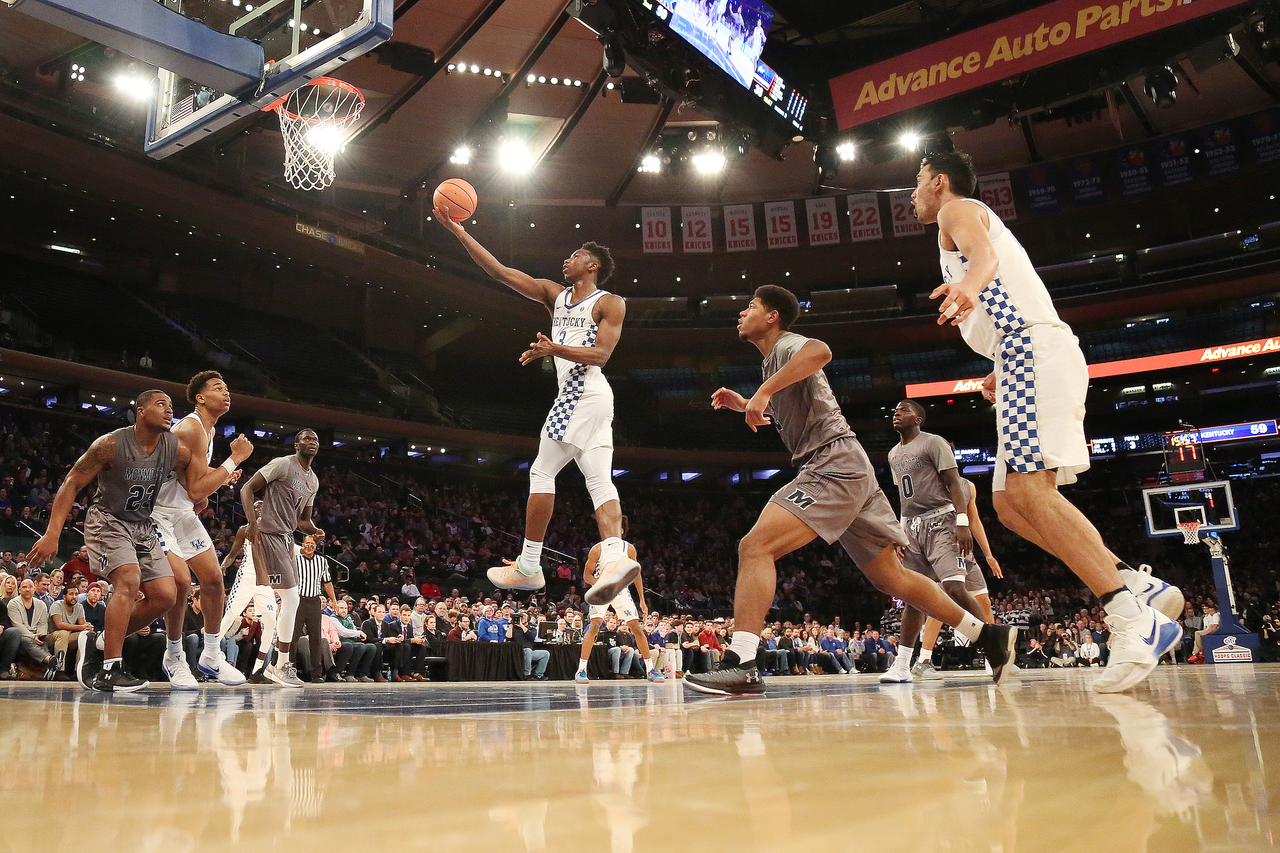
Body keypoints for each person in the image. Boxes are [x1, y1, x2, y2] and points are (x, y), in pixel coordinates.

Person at [914, 149, 1183, 693]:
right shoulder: (957, 220)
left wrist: (969, 287)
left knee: (1031, 493)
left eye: (917, 182)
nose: (912, 194)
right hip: (1019, 357)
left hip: (1029, 351)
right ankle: (1136, 585)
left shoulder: (956, 210)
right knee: (1011, 505)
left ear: (939, 181)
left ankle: (1132, 619)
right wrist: (995, 364)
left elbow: (983, 259)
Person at [684, 286, 1018, 696]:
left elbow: (821, 351)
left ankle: (742, 662)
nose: (741, 311)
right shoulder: (776, 360)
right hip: (849, 466)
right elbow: (810, 408)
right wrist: (752, 404)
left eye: (750, 306)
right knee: (893, 579)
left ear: (772, 317)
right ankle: (986, 636)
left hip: (833, 466)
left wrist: (764, 392)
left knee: (755, 546)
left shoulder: (789, 345)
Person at [435, 208, 640, 603]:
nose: (567, 260)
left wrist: (554, 348)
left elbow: (600, 355)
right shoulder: (554, 294)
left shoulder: (610, 302)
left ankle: (529, 566)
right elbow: (499, 271)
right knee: (599, 480)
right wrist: (460, 232)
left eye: (575, 255)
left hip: (581, 391)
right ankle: (615, 557)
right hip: (594, 401)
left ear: (592, 265)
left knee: (542, 472)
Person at [26, 390, 197, 692]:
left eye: (172, 406)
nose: (170, 410)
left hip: (143, 525)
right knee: (129, 580)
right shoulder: (110, 445)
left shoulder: (175, 448)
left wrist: (201, 492)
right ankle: (110, 668)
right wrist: (52, 532)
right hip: (108, 520)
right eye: (161, 405)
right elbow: (72, 482)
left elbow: (193, 474)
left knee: (165, 596)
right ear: (141, 412)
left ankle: (100, 640)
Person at [152, 371, 254, 688]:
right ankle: (174, 657)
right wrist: (233, 461)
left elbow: (191, 481)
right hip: (156, 513)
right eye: (218, 388)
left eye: (227, 388)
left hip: (181, 511)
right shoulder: (190, 427)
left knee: (212, 580)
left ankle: (211, 656)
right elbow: (196, 488)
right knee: (181, 583)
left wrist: (216, 478)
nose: (226, 393)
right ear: (200, 397)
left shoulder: (207, 430)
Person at [882, 400, 992, 683]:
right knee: (913, 596)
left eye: (904, 410)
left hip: (942, 520)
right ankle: (903, 665)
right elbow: (906, 499)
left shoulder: (934, 442)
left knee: (955, 588)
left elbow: (955, 483)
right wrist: (899, 533)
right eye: (895, 410)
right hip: (912, 527)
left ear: (918, 419)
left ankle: (993, 650)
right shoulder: (894, 453)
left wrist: (962, 521)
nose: (897, 413)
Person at [239, 429, 324, 688]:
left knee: (289, 600)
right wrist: (252, 523)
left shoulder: (313, 481)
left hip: (288, 538)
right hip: (269, 535)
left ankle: (276, 665)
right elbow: (247, 488)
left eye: (316, 440)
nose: (312, 442)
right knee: (291, 598)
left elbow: (303, 521)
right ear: (297, 444)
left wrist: (314, 530)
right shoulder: (282, 465)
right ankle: (281, 664)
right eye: (307, 438)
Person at [912, 468, 1004, 680]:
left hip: (966, 552)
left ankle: (994, 659)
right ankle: (923, 660)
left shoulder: (968, 486)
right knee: (941, 604)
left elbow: (975, 521)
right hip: (943, 551)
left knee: (984, 602)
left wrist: (989, 555)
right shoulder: (928, 483)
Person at [573, 521, 664, 684]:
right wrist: (600, 584)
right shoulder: (598, 549)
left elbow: (636, 574)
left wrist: (642, 600)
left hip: (621, 590)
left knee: (636, 627)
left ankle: (650, 670)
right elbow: (586, 575)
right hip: (602, 589)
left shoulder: (628, 548)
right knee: (594, 625)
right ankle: (581, 670)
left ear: (622, 530)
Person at [218, 501, 279, 681]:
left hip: (265, 580)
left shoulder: (274, 530)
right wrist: (223, 565)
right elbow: (232, 553)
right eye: (256, 507)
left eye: (263, 507)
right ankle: (210, 654)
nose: (260, 509)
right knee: (230, 615)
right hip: (246, 576)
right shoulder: (244, 530)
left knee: (270, 622)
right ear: (250, 512)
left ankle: (258, 670)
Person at [293, 534, 337, 683]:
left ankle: (316, 674)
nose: (309, 546)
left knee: (316, 638)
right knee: (293, 636)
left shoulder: (322, 561)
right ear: (303, 545)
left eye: (312, 544)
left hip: (314, 601)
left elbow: (328, 583)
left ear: (315, 546)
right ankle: (290, 670)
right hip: (298, 600)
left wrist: (334, 601)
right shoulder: (296, 560)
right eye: (307, 544)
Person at [6, 578, 59, 679]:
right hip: (21, 636)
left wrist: (39, 635)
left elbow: (43, 624)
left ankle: (50, 664)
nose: (27, 589)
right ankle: (49, 660)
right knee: (26, 641)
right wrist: (33, 636)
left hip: (38, 635)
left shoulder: (41, 604)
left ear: (34, 589)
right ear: (19, 589)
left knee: (43, 641)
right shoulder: (13, 604)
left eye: (30, 587)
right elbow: (17, 625)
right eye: (24, 587)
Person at [47, 585, 91, 678]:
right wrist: (82, 627)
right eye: (71, 594)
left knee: (85, 635)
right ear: (64, 596)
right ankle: (59, 671)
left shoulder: (79, 607)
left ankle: (78, 671)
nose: (74, 596)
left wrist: (87, 627)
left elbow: (82, 625)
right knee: (63, 633)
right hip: (52, 636)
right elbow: (59, 625)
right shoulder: (57, 605)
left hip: (68, 636)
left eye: (76, 594)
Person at [512, 610, 550, 679]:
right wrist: (511, 624)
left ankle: (539, 674)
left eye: (524, 616)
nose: (522, 618)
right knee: (528, 650)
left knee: (545, 653)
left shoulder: (532, 628)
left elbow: (531, 636)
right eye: (521, 616)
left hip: (529, 652)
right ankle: (527, 674)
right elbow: (508, 637)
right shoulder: (515, 628)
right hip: (518, 652)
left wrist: (522, 625)